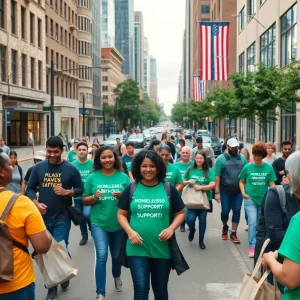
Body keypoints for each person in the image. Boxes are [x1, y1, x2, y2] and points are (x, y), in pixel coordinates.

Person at [117, 150, 186, 300]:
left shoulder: (168, 188)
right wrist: (130, 232)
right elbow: (121, 214)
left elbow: (180, 213)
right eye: (144, 166)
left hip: (162, 248)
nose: (148, 170)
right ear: (138, 168)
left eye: (152, 166)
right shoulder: (131, 188)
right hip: (136, 248)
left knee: (160, 291)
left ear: (159, 168)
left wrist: (171, 228)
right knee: (141, 288)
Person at [27, 136, 84, 300]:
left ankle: (64, 274)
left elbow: (80, 188)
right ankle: (51, 287)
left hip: (62, 217)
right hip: (41, 219)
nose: (51, 155)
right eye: (49, 151)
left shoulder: (70, 169)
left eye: (55, 152)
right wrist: (36, 203)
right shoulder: (38, 168)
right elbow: (30, 189)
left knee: (60, 249)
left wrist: (68, 192)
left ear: (62, 151)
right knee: (46, 252)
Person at [0, 153, 51, 300]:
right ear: (1, 172)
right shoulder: (21, 204)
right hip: (16, 283)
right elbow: (41, 246)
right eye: (9, 164)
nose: (12, 167)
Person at [82, 146, 131, 300]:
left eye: (110, 157)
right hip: (99, 223)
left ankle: (116, 275)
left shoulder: (123, 177)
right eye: (103, 157)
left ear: (115, 158)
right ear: (99, 160)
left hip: (118, 224)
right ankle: (100, 293)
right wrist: (94, 197)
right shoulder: (92, 177)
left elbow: (132, 200)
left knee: (116, 256)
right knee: (102, 255)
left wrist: (122, 197)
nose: (107, 160)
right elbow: (84, 200)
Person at [261, 151, 300, 298]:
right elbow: (274, 232)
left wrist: (270, 258)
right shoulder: (276, 194)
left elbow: (290, 279)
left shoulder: (298, 221)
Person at [239, 142, 277, 258]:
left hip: (264, 200)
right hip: (250, 199)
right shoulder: (247, 167)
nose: (256, 157)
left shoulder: (268, 168)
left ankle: (260, 245)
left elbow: (272, 183)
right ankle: (252, 246)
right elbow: (241, 181)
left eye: (259, 155)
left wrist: (275, 196)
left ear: (263, 155)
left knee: (261, 225)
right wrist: (243, 193)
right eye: (255, 154)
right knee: (252, 222)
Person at [214, 138, 248, 244]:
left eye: (236, 147)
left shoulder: (242, 158)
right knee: (225, 211)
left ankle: (233, 233)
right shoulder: (220, 159)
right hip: (225, 190)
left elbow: (247, 173)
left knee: (237, 210)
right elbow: (217, 176)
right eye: (232, 147)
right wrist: (217, 192)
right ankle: (225, 226)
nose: (234, 149)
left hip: (238, 191)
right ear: (227, 146)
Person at [183, 151, 215, 249]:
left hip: (204, 200)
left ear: (204, 159)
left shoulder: (209, 171)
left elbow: (213, 184)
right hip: (192, 200)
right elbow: (182, 181)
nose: (199, 160)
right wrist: (189, 181)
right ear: (194, 159)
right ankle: (192, 230)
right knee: (190, 219)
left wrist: (201, 187)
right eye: (197, 158)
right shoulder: (190, 170)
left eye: (201, 158)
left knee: (202, 220)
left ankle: (201, 240)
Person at [72, 142, 93, 246]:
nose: (81, 151)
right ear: (76, 150)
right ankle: (84, 236)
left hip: (89, 196)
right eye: (79, 149)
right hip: (77, 196)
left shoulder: (92, 164)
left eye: (84, 149)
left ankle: (92, 228)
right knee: (80, 216)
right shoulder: (72, 165)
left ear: (87, 151)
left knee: (87, 215)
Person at [174, 146, 193, 232]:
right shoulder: (176, 165)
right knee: (181, 210)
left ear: (190, 154)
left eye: (187, 153)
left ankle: (189, 223)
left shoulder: (193, 165)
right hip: (179, 192)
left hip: (190, 192)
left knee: (189, 212)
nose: (185, 154)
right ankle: (182, 224)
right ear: (180, 153)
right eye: (183, 153)